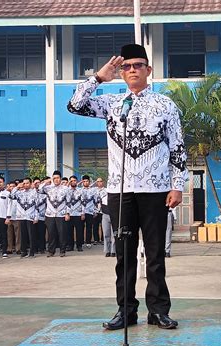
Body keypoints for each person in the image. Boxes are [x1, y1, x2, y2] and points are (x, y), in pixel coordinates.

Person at [68, 43, 188, 330]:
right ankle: (126, 310)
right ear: (121, 72)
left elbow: (178, 148)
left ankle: (158, 310)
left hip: (156, 189)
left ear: (149, 70)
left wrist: (178, 186)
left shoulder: (165, 105)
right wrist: (98, 78)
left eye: (137, 65)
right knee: (124, 254)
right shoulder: (111, 104)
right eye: (126, 66)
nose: (132, 70)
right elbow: (75, 105)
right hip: (120, 189)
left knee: (156, 253)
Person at [39, 170, 69, 257]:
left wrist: (67, 213)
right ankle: (51, 251)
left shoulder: (65, 189)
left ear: (60, 178)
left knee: (62, 233)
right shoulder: (47, 188)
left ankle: (62, 250)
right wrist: (46, 182)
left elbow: (69, 202)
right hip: (50, 214)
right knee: (51, 233)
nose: (56, 180)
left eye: (58, 178)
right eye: (54, 178)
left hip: (61, 214)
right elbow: (39, 190)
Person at [66, 175, 85, 252]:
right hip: (69, 214)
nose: (73, 182)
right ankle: (70, 245)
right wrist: (66, 213)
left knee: (79, 231)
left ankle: (79, 246)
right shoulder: (66, 190)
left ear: (77, 182)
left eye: (74, 181)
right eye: (71, 181)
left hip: (78, 214)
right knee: (69, 231)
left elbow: (83, 202)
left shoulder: (80, 190)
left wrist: (83, 213)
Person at [96, 179, 115, 257]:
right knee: (106, 234)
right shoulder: (102, 194)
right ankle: (107, 250)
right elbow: (98, 204)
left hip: (114, 215)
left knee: (114, 234)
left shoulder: (115, 195)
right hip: (105, 215)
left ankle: (113, 251)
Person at [80, 175, 100, 248]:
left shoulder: (93, 190)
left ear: (89, 181)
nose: (85, 183)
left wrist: (95, 211)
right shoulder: (79, 190)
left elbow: (96, 201)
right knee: (81, 228)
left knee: (89, 227)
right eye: (84, 181)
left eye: (87, 181)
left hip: (90, 212)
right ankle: (81, 242)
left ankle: (88, 242)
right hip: (81, 212)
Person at [6, 181, 21, 254]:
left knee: (18, 234)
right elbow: (7, 206)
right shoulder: (7, 195)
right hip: (9, 217)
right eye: (10, 186)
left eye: (13, 186)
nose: (12, 188)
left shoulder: (18, 194)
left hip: (17, 217)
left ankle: (18, 248)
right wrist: (7, 216)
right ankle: (9, 248)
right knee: (9, 234)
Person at [34, 177, 47, 254]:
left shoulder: (44, 194)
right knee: (34, 233)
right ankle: (35, 248)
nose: (37, 184)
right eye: (36, 183)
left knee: (42, 233)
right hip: (33, 217)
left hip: (42, 216)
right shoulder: (31, 192)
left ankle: (42, 248)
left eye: (39, 183)